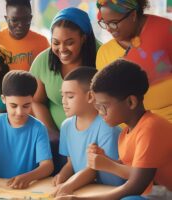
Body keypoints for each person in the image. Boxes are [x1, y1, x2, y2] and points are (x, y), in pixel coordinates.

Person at [56, 59, 172, 200]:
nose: (100, 112)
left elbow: (136, 185)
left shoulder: (150, 128)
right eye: (97, 107)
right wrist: (105, 161)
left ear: (131, 102)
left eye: (104, 106)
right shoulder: (126, 133)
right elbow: (132, 171)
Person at [30, 7, 97, 174]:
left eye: (69, 42)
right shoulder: (44, 60)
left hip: (95, 141)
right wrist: (52, 132)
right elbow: (36, 101)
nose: (62, 49)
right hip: (57, 141)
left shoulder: (101, 55)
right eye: (56, 42)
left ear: (83, 38)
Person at [0, 70, 53, 189]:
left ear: (32, 100)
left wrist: (28, 177)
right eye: (13, 106)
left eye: (26, 106)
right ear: (3, 99)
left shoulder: (38, 128)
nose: (19, 112)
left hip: (26, 187)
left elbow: (47, 166)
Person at [52, 67, 124, 197]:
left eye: (70, 96)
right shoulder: (66, 126)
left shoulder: (108, 128)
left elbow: (94, 170)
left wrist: (69, 185)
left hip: (110, 192)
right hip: (84, 188)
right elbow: (71, 163)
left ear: (90, 96)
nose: (63, 101)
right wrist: (62, 176)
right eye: (63, 95)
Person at [96, 0, 172, 122]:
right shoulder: (104, 53)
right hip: (131, 133)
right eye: (105, 23)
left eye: (114, 23)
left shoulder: (165, 31)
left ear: (133, 15)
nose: (109, 29)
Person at [0, 0, 49, 71]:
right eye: (14, 20)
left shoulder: (42, 43)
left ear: (30, 18)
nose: (20, 25)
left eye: (25, 20)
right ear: (6, 19)